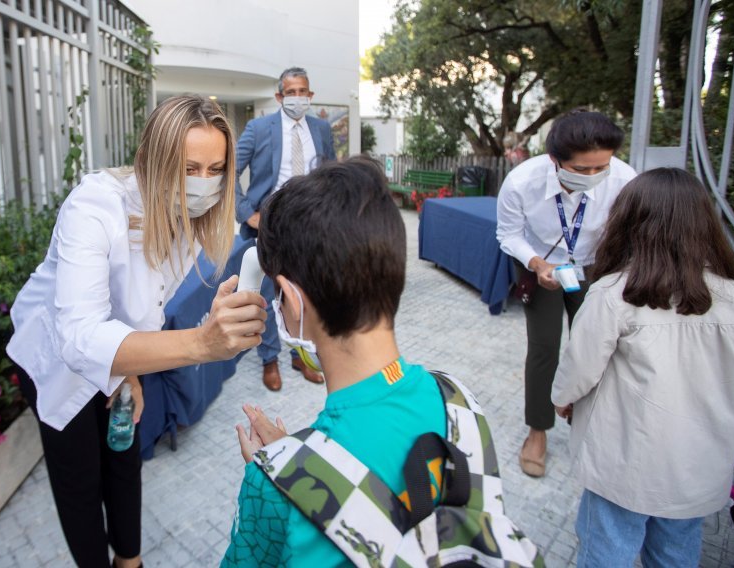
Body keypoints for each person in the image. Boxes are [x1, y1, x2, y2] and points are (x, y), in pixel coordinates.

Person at [221, 157, 536, 567]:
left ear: (293, 300)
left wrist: (283, 476)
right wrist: (298, 463)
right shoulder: (459, 399)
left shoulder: (270, 486)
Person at [6, 95, 267, 568]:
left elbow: (147, 309)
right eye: (190, 167)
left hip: (122, 355)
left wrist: (130, 377)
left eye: (216, 169)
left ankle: (130, 561)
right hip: (55, 359)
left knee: (124, 454)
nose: (203, 184)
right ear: (153, 159)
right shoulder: (94, 203)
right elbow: (80, 338)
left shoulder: (191, 215)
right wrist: (201, 343)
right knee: (80, 478)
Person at [551, 168, 734, 567]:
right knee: (676, 553)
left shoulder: (614, 293)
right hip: (699, 461)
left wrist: (561, 399)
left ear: (629, 222)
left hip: (625, 461)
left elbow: (580, 367)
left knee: (607, 549)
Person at [496, 109, 636, 477]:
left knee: (597, 347)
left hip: (594, 268)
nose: (594, 177)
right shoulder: (521, 182)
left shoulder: (624, 180)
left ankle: (590, 422)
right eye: (582, 169)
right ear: (555, 159)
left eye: (600, 168)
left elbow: (631, 235)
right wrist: (537, 264)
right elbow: (508, 235)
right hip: (541, 266)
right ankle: (538, 430)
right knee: (544, 347)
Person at [234, 66, 336, 391]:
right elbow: (228, 172)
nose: (297, 98)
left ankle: (299, 356)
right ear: (279, 96)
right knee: (267, 294)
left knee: (304, 296)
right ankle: (269, 360)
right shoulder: (258, 128)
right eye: (290, 92)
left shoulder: (321, 128)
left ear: (311, 95)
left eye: (302, 91)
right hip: (270, 227)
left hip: (309, 227)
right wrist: (246, 212)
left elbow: (330, 174)